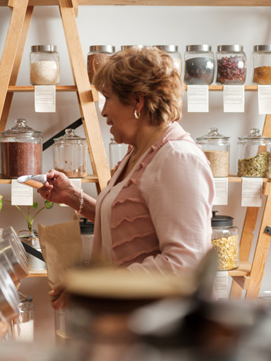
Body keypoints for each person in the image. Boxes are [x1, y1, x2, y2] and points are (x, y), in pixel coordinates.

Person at [38, 47, 214, 308]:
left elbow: (186, 264)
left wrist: (97, 286)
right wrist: (75, 198)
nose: (104, 111)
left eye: (107, 98)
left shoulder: (176, 158)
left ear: (137, 102)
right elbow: (130, 224)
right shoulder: (139, 153)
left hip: (155, 329)